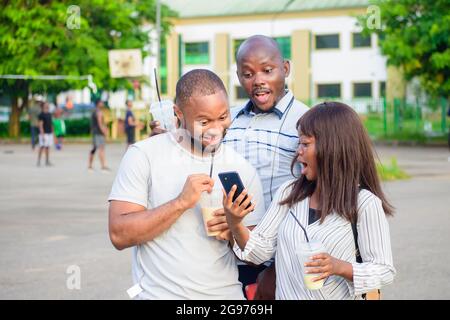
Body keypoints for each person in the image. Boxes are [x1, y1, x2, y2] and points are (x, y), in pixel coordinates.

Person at [108, 69, 266, 299]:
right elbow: (119, 236)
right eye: (204, 121)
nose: (216, 129)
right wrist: (181, 203)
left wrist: (234, 228)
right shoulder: (143, 155)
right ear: (178, 113)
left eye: (223, 117)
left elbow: (255, 257)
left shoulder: (242, 169)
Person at [224, 102, 396, 300]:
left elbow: (384, 271)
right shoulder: (289, 193)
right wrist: (235, 223)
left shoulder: (364, 204)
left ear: (332, 148)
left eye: (305, 144)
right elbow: (259, 253)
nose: (298, 151)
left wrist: (338, 267)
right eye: (299, 143)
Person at [223, 35, 310, 298]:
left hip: (276, 261)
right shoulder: (230, 119)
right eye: (247, 73)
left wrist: (276, 270)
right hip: (229, 254)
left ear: (285, 68)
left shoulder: (306, 122)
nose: (258, 79)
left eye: (267, 70)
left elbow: (318, 195)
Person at [88, 100, 110, 172]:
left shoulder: (95, 111)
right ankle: (103, 166)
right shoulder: (98, 112)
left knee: (94, 149)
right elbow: (100, 123)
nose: (103, 104)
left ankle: (90, 166)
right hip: (99, 133)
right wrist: (104, 132)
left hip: (95, 133)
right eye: (101, 103)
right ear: (98, 104)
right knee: (101, 148)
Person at [37, 102, 54, 166]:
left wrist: (53, 133)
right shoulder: (41, 115)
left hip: (49, 133)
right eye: (46, 104)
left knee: (47, 147)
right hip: (44, 133)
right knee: (42, 147)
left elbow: (51, 124)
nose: (48, 105)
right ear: (43, 106)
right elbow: (40, 125)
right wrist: (42, 135)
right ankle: (38, 161)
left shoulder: (49, 114)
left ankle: (47, 161)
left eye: (48, 104)